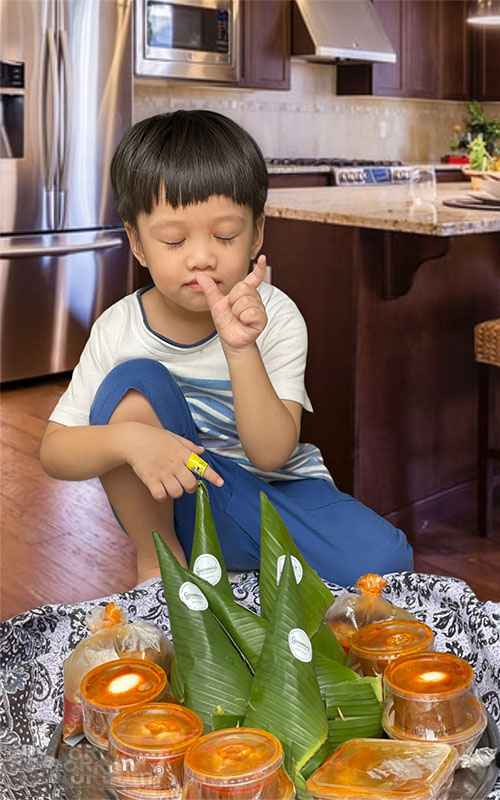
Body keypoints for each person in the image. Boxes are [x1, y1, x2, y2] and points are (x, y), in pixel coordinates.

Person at [39, 109, 413, 588]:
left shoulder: (276, 316)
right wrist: (129, 441)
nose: (201, 257)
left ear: (256, 233)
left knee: (387, 562)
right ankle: (160, 568)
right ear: (137, 243)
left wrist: (241, 349)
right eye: (174, 240)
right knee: (134, 381)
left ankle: (243, 569)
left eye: (225, 236)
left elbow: (271, 454)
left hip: (273, 494)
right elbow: (55, 451)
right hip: (179, 503)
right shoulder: (118, 328)